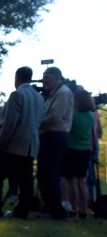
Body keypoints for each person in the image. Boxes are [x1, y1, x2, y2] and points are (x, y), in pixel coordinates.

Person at [0, 67, 43, 219]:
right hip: (30, 145)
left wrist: (1, 142)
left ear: (17, 78)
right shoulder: (39, 98)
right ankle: (22, 211)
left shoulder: (17, 95)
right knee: (26, 181)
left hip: (13, 145)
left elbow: (10, 122)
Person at [36, 67, 74, 220]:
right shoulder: (54, 94)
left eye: (47, 77)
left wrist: (35, 124)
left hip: (55, 135)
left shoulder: (63, 93)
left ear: (58, 78)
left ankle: (56, 211)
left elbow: (55, 117)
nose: (44, 80)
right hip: (49, 135)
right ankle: (50, 207)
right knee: (44, 173)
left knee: (49, 174)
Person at [62, 87, 97, 218]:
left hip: (72, 149)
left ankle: (75, 209)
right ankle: (85, 210)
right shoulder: (90, 115)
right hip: (85, 150)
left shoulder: (73, 115)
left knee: (72, 181)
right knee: (82, 182)